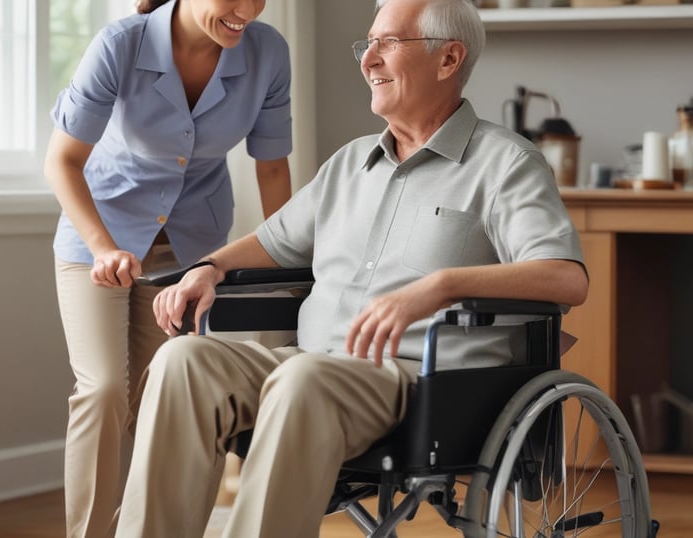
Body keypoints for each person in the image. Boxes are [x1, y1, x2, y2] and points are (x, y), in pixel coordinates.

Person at [114, 0, 589, 535]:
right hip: (312, 363)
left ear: (449, 59)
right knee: (184, 360)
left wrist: (441, 286)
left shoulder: (505, 163)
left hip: (419, 382)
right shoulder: (349, 164)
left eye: (388, 43)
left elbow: (564, 277)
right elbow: (273, 241)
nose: (368, 60)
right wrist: (209, 266)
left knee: (303, 377)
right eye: (367, 45)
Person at [43, 0, 293, 536]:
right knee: (105, 389)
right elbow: (62, 161)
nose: (247, 10)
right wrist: (104, 247)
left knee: (180, 398)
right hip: (100, 241)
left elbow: (272, 167)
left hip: (192, 251)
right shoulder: (121, 46)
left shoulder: (268, 51)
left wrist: (291, 263)